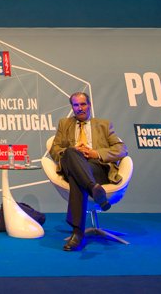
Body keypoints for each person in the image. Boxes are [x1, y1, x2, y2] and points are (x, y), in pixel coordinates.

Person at [49, 91, 127, 251]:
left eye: (83, 104)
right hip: (74, 164)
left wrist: (95, 153)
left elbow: (122, 149)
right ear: (72, 107)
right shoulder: (64, 124)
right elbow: (54, 149)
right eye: (76, 105)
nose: (80, 108)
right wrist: (74, 150)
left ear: (89, 105)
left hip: (96, 168)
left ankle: (77, 234)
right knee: (71, 153)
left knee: (76, 178)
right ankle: (93, 189)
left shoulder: (104, 125)